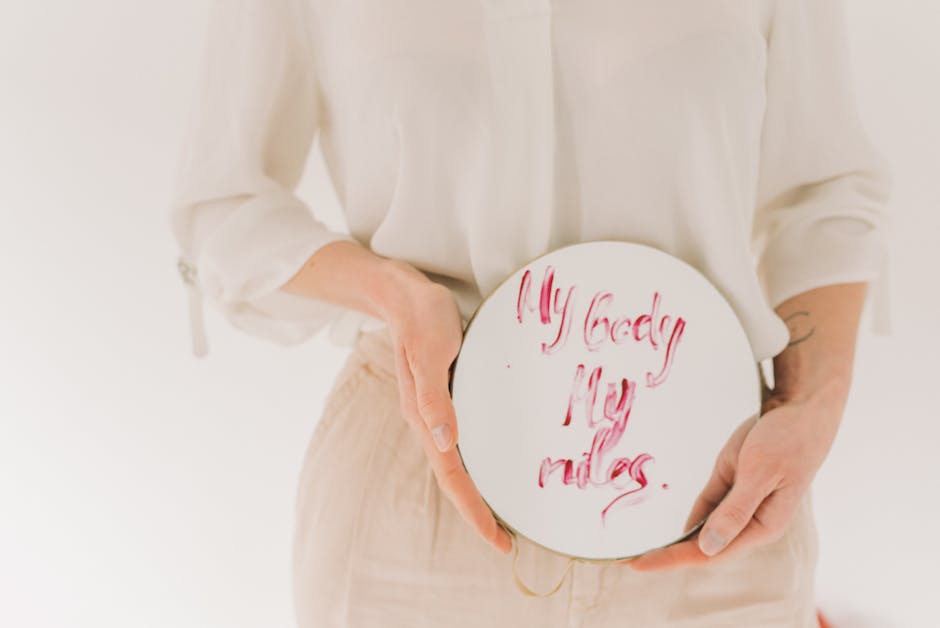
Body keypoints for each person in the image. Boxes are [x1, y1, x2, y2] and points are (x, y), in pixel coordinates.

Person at [168, 0, 892, 626]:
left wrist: (813, 407)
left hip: (710, 504)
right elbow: (224, 208)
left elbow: (824, 197)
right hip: (415, 501)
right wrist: (393, 291)